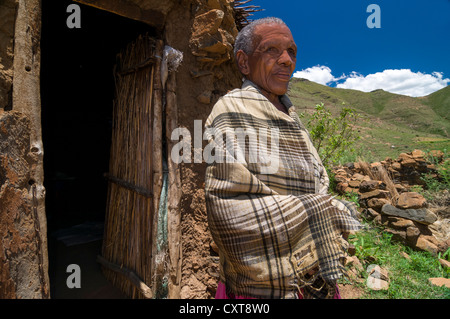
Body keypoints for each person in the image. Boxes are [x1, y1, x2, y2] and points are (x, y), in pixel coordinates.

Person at [204, 17, 361, 299]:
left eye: (292, 51)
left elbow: (314, 183)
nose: (287, 60)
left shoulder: (292, 118)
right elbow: (228, 209)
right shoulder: (231, 111)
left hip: (316, 281)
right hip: (260, 289)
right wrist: (325, 211)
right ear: (243, 62)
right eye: (272, 50)